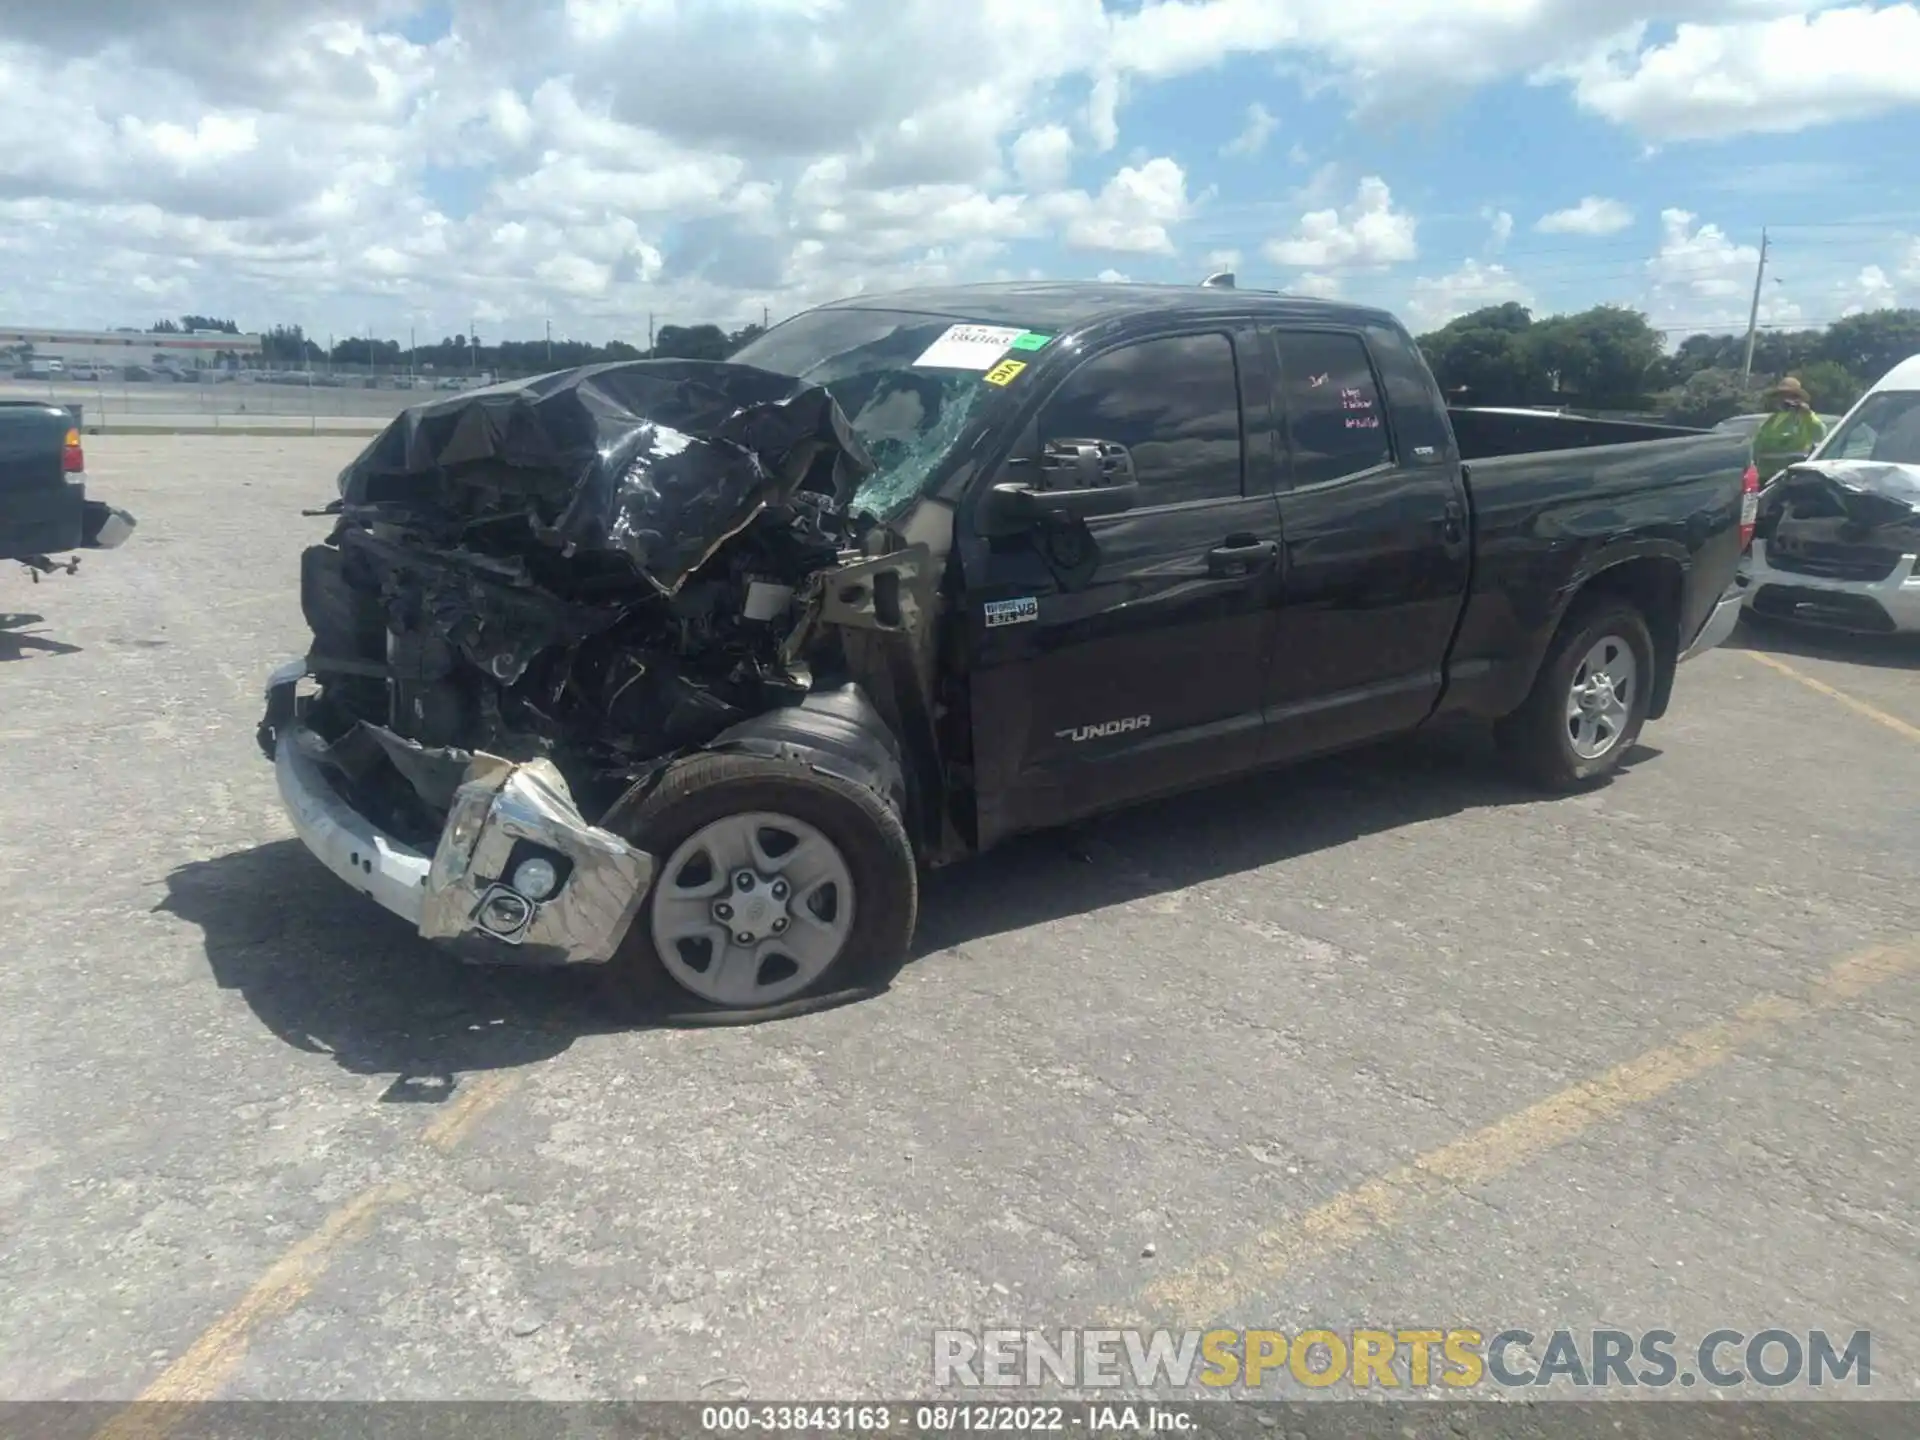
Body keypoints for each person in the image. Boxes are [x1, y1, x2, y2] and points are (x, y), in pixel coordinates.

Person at [1750, 376, 1827, 483]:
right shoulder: (1771, 420)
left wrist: (1807, 413)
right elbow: (1756, 446)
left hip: (1793, 478)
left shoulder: (1804, 417)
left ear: (1798, 398)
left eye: (1790, 396)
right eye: (1781, 396)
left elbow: (1820, 434)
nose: (1784, 400)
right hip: (1768, 478)